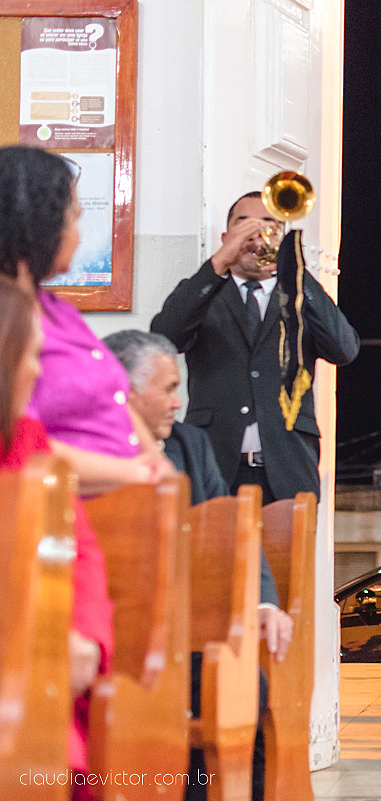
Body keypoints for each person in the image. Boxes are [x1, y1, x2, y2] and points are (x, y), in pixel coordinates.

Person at [102, 329, 292, 801]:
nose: (178, 402)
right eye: (167, 389)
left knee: (248, 689)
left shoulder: (191, 444)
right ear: (124, 391)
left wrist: (264, 602)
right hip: (122, 631)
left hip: (190, 629)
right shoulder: (91, 452)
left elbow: (233, 531)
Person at [150, 191, 359, 504]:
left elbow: (344, 349)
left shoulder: (301, 296)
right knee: (208, 554)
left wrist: (295, 269)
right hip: (213, 465)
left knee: (285, 553)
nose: (255, 233)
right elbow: (163, 340)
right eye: (243, 222)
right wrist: (219, 262)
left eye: (267, 224)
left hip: (289, 466)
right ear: (226, 236)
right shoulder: (204, 292)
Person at [0, 145, 172, 495]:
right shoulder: (9, 317)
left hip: (122, 499)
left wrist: (155, 461)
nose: (79, 236)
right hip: (53, 507)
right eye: (73, 219)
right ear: (41, 224)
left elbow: (115, 398)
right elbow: (19, 445)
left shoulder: (57, 310)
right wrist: (133, 471)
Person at [0, 274, 113, 795]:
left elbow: (76, 546)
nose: (37, 371)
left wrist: (85, 632)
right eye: (30, 355)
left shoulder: (27, 438)